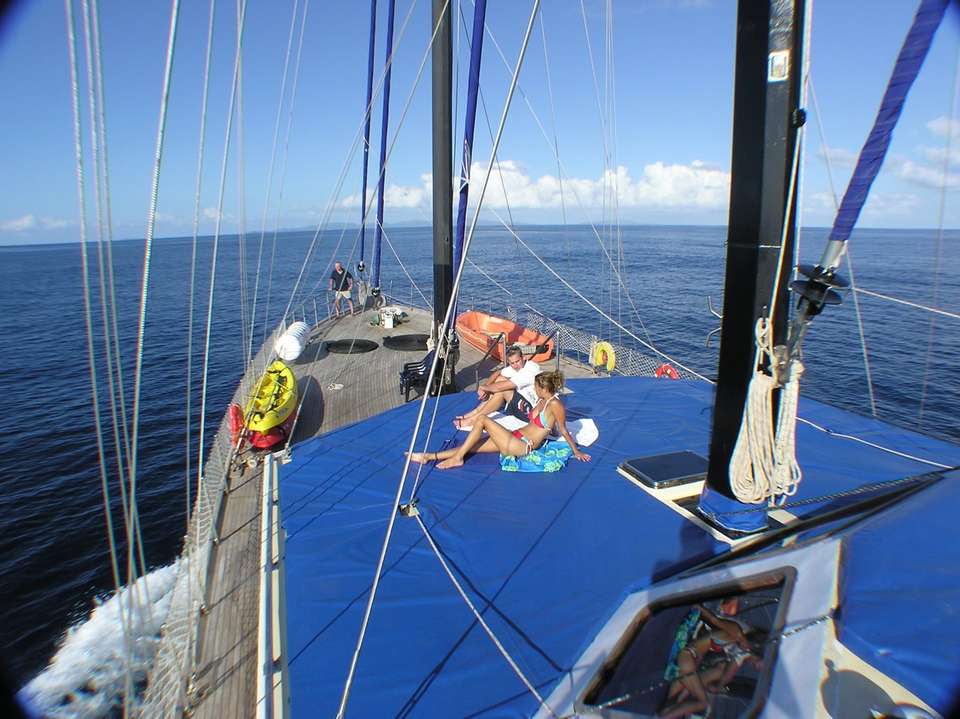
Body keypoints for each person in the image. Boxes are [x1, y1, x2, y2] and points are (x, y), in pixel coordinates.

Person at [409, 370, 591, 469]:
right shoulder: (542, 400)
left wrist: (576, 452)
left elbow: (564, 430)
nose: (534, 390)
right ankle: (428, 456)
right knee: (472, 446)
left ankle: (457, 459)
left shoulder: (555, 405)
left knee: (482, 420)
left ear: (544, 388)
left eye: (536, 387)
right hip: (515, 436)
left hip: (522, 446)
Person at [658, 602, 763, 719]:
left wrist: (720, 686)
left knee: (673, 701)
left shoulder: (738, 648)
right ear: (753, 646)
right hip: (688, 658)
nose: (746, 650)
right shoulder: (736, 632)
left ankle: (661, 715)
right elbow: (714, 620)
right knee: (702, 702)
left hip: (691, 661)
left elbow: (728, 673)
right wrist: (699, 607)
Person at [453, 345, 540, 430]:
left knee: (502, 390)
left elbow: (505, 385)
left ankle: (473, 419)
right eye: (512, 363)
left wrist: (483, 388)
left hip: (531, 411)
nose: (515, 365)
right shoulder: (515, 367)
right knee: (500, 379)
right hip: (522, 401)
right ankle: (475, 412)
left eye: (517, 361)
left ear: (524, 358)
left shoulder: (531, 369)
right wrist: (486, 386)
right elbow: (498, 373)